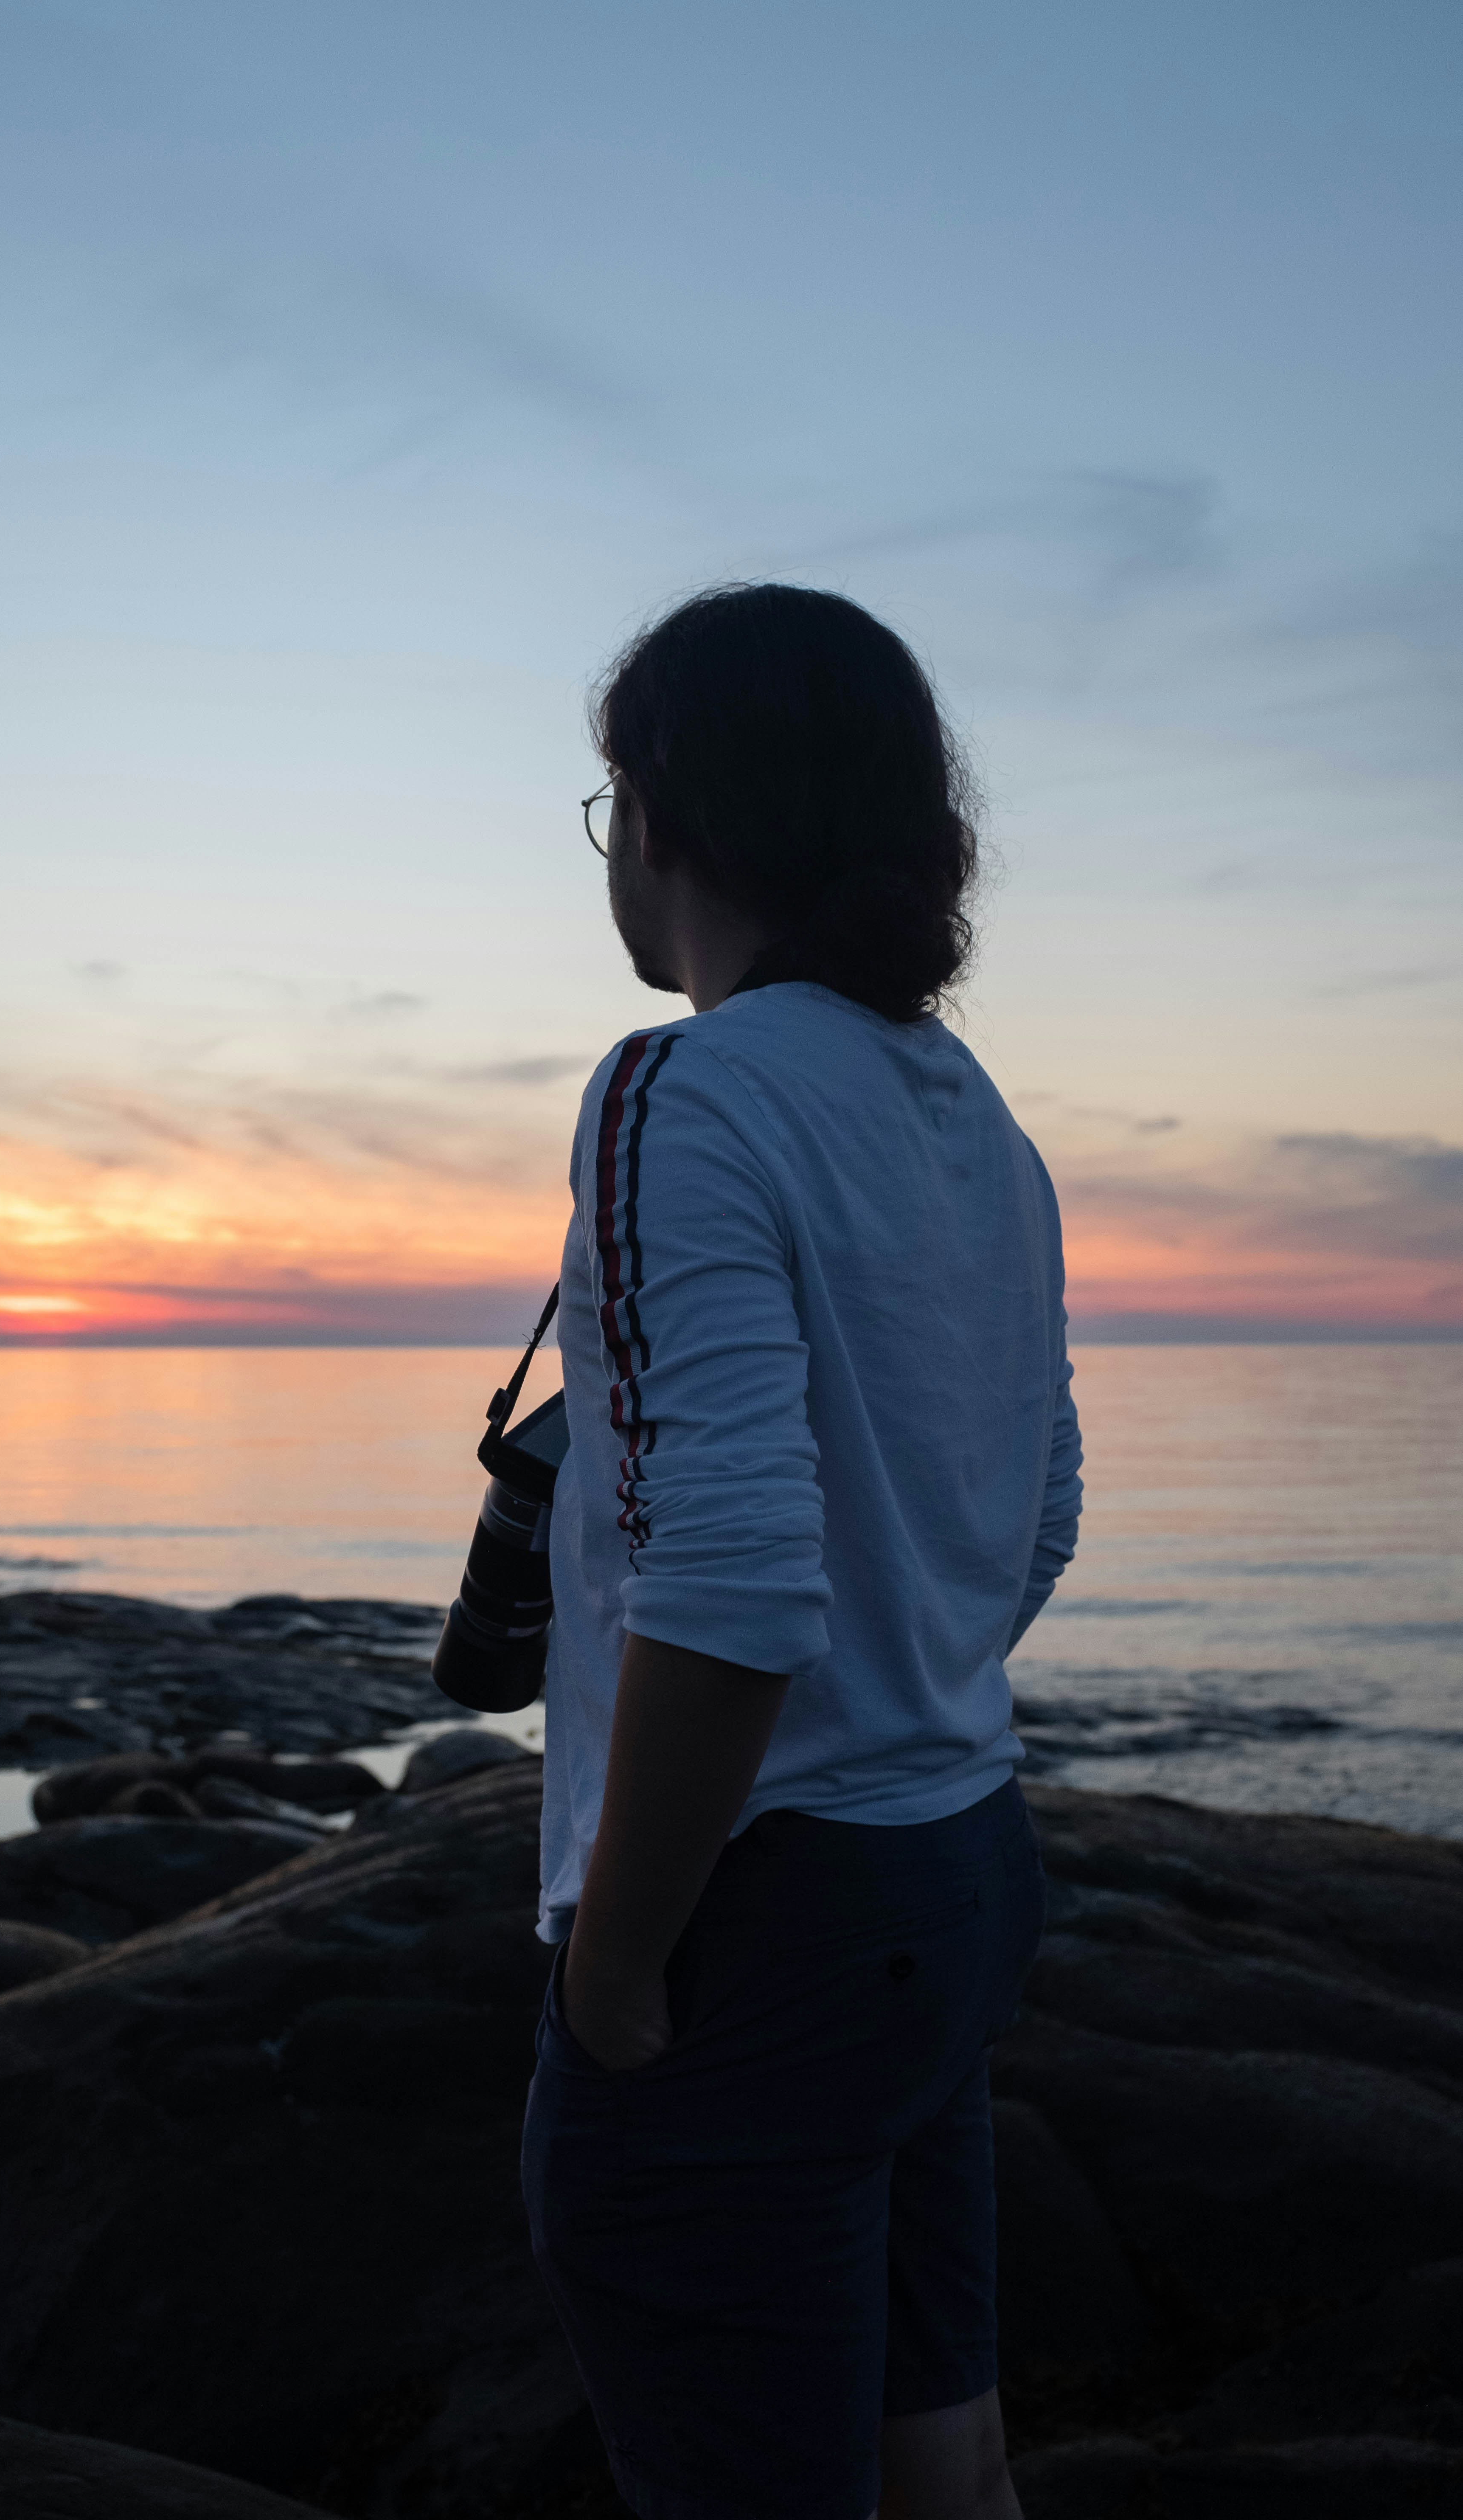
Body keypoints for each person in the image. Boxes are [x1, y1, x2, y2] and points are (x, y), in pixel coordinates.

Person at [521, 584, 1082, 2520]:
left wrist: (617, 1954)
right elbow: (1044, 1505)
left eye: (615, 804)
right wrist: (910, 1687)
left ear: (664, 812)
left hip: (760, 1916)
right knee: (951, 2461)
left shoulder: (683, 1089)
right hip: (963, 1867)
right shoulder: (975, 1118)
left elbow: (738, 1586)